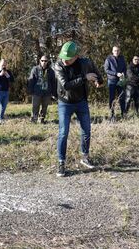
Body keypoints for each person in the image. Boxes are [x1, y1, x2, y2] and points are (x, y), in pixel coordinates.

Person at [54, 41, 103, 177]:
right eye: (63, 57)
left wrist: (98, 80)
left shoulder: (85, 63)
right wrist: (85, 78)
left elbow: (96, 72)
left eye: (68, 58)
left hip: (81, 101)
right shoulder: (58, 65)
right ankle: (61, 162)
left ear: (76, 56)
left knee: (86, 130)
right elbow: (66, 85)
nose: (65, 60)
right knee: (63, 132)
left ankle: (85, 157)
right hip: (65, 102)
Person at [27, 56, 56, 124]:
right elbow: (31, 80)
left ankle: (42, 120)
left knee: (44, 107)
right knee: (35, 107)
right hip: (37, 92)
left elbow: (53, 83)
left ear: (47, 61)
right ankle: (34, 120)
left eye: (45, 61)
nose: (44, 62)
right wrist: (30, 91)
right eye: (42, 60)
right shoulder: (35, 69)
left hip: (47, 93)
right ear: (40, 61)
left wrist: (54, 93)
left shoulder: (51, 71)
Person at [104, 46, 127, 120]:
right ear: (112, 51)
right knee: (112, 98)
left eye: (117, 50)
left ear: (119, 51)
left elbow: (124, 68)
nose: (116, 52)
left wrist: (123, 73)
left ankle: (123, 114)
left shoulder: (122, 58)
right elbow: (106, 70)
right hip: (112, 81)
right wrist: (116, 73)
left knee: (122, 97)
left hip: (120, 80)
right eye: (115, 50)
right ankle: (112, 115)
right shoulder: (108, 59)